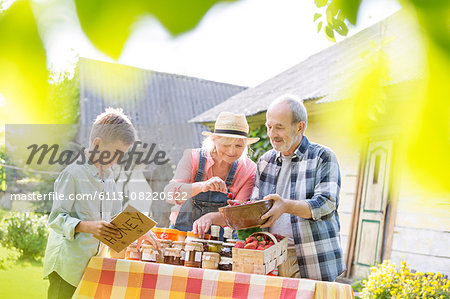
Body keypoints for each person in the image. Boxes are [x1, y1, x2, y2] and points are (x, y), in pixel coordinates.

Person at [43, 108, 160, 299]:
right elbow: (56, 219)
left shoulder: (108, 177)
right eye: (117, 153)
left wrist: (138, 230)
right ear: (97, 144)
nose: (120, 159)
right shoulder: (73, 174)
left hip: (91, 266)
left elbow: (115, 218)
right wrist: (89, 227)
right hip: (66, 267)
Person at [253, 94, 345, 281]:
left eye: (279, 127)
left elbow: (325, 205)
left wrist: (285, 205)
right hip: (271, 257)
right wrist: (241, 210)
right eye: (269, 127)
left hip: (312, 260)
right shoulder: (265, 161)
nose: (272, 134)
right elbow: (257, 204)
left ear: (300, 126)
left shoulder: (323, 157)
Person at [164, 112, 259, 238]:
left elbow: (238, 214)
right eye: (226, 145)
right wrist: (203, 186)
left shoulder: (249, 169)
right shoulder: (192, 157)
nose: (232, 151)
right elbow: (169, 195)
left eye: (238, 146)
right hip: (182, 236)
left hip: (222, 239)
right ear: (214, 140)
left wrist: (211, 217)